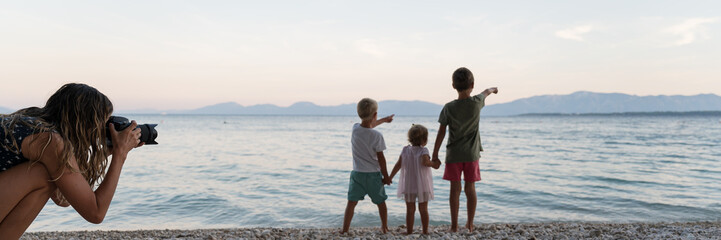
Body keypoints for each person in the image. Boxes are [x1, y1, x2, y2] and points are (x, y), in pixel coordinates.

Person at [0, 83, 144, 238]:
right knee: (42, 175)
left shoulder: (33, 123)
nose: (100, 130)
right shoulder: (50, 141)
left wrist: (103, 154)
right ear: (84, 122)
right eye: (100, 123)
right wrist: (119, 155)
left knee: (47, 176)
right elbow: (95, 213)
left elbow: (62, 198)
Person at [431, 67, 498, 232]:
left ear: (453, 85)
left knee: (455, 190)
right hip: (471, 154)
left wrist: (435, 155)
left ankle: (454, 226)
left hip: (453, 155)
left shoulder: (448, 107)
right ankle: (469, 224)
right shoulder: (476, 103)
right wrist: (493, 89)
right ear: (472, 85)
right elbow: (486, 92)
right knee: (470, 188)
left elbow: (441, 132)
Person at [341, 98, 394, 234]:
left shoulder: (355, 129)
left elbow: (368, 127)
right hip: (373, 175)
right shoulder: (377, 136)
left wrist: (383, 120)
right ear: (375, 115)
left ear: (359, 113)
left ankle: (345, 229)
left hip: (357, 174)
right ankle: (384, 227)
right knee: (380, 202)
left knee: (351, 203)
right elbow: (381, 159)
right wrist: (386, 176)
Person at [389, 124, 440, 235]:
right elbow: (425, 162)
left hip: (409, 184)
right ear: (424, 140)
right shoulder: (424, 150)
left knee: (410, 209)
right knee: (423, 209)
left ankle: (409, 231)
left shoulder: (405, 150)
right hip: (423, 184)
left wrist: (390, 177)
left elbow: (398, 165)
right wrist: (434, 164)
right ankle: (425, 231)